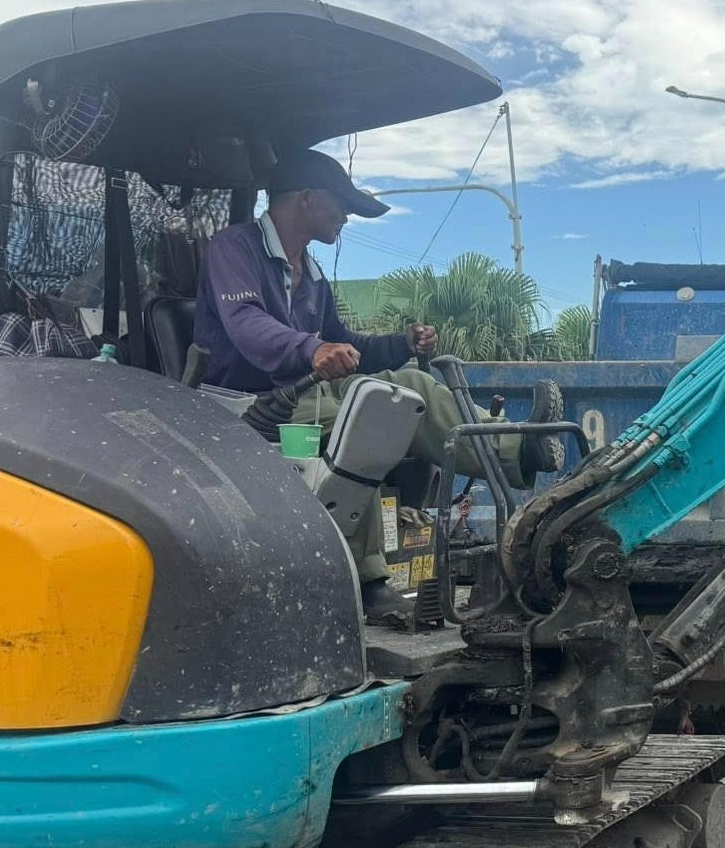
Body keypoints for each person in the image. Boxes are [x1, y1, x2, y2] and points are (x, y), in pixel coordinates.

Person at [194, 146, 564, 620]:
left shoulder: (310, 273)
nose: (346, 216)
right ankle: (369, 582)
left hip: (305, 393)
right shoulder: (234, 248)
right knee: (368, 418)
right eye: (341, 204)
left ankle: (519, 449)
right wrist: (312, 349)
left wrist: (402, 342)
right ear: (306, 198)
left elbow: (343, 342)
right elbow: (246, 324)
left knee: (406, 386)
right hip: (247, 405)